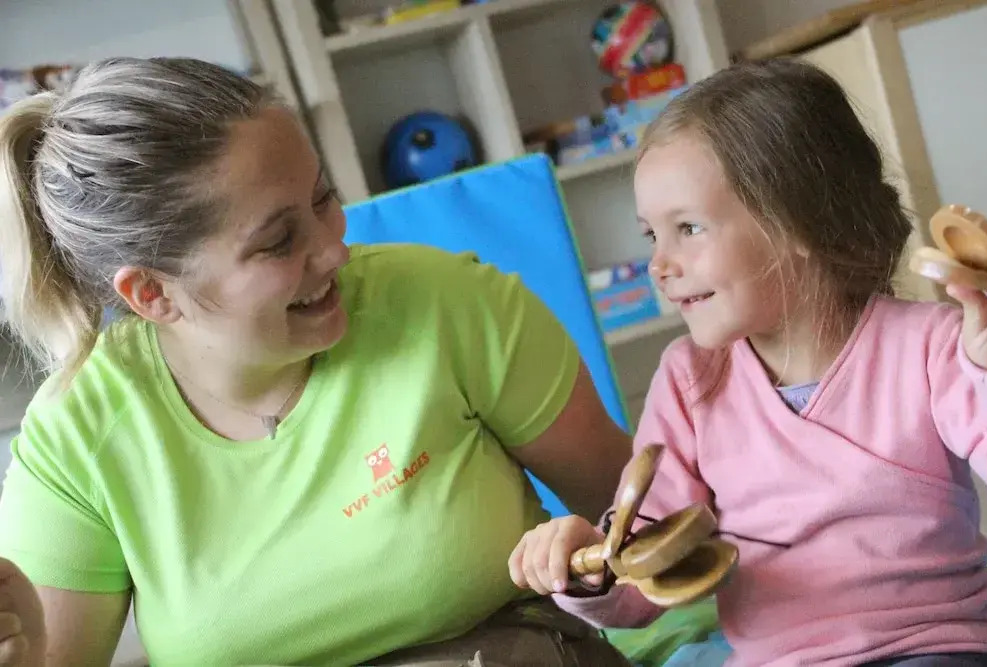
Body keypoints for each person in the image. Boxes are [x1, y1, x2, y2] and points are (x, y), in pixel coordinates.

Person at [0, 56, 634, 666]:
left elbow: (653, 529)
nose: (336, 250)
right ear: (152, 294)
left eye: (323, 197)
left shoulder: (450, 305)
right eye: (279, 241)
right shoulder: (79, 433)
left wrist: (599, 560)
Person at [508, 58, 987, 666]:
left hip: (931, 647)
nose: (660, 265)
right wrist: (591, 568)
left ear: (800, 222)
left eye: (689, 228)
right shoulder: (689, 381)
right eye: (652, 236)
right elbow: (648, 579)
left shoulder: (931, 348)